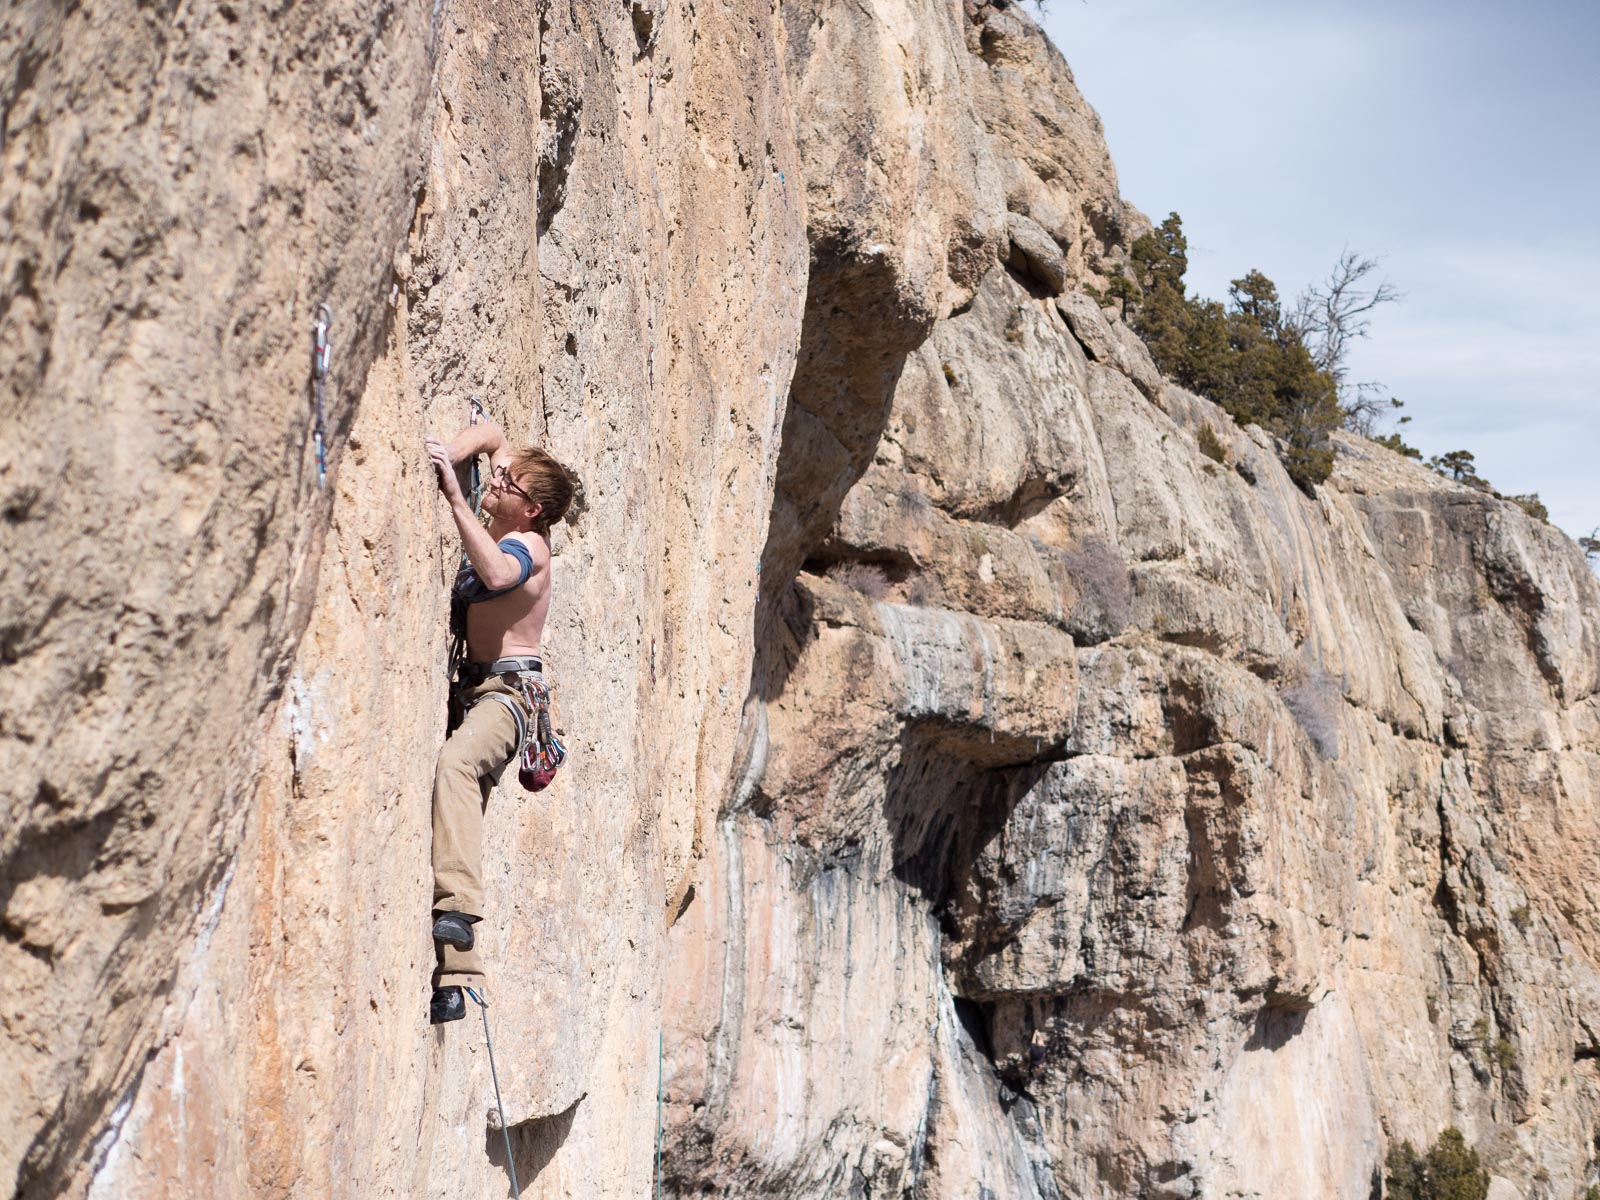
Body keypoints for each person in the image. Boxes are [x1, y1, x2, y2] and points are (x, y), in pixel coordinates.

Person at [423, 420, 576, 1025]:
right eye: (500, 475)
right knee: (457, 821)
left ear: (532, 509)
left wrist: (455, 498)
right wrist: (452, 453)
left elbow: (495, 575)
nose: (498, 480)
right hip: (476, 688)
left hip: (509, 698)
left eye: (508, 483)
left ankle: (460, 909)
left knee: (457, 765)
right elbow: (491, 436)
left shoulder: (530, 547)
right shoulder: (513, 491)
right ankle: (456, 980)